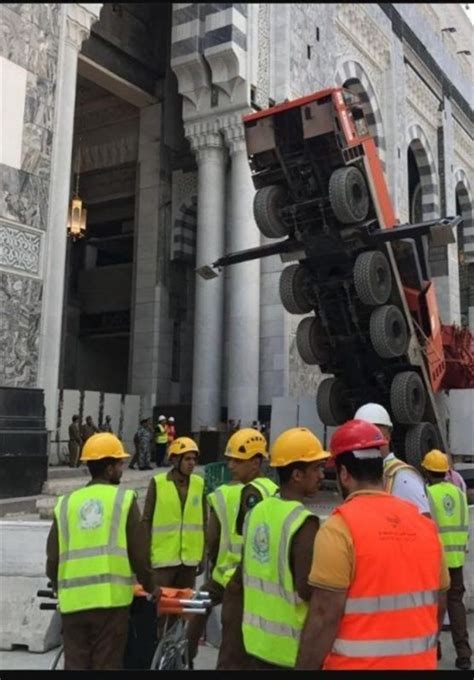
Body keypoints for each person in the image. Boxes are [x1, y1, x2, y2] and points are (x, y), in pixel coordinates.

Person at [296, 419, 450, 671]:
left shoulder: (339, 529)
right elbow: (439, 602)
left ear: (344, 474)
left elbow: (324, 615)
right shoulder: (425, 526)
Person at [45, 433, 160, 670]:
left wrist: (57, 585)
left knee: (75, 664)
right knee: (107, 663)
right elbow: (139, 555)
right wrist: (151, 587)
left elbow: (53, 557)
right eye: (119, 464)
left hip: (73, 605)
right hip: (110, 604)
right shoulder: (123, 500)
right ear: (108, 469)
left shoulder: (67, 503)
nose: (122, 468)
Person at [217, 427, 329, 670]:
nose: (321, 475)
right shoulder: (303, 522)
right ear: (297, 475)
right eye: (316, 469)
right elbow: (308, 589)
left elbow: (246, 570)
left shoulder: (257, 512)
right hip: (289, 650)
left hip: (256, 643)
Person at [187, 428, 278, 667]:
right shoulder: (271, 490)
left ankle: (186, 653)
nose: (230, 465)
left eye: (238, 460)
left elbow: (216, 539)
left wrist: (221, 566)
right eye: (230, 459)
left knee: (230, 645)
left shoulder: (248, 494)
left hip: (238, 581)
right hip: (237, 579)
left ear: (256, 462)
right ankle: (186, 652)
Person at [421, 449, 471, 671]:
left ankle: (434, 649)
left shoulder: (427, 494)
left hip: (436, 561)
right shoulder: (460, 494)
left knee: (433, 607)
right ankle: (464, 655)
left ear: (428, 472)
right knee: (456, 605)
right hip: (457, 559)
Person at [141, 436, 206, 590]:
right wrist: (145, 556)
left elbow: (204, 521)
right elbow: (146, 521)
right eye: (187, 459)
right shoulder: (158, 483)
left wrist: (203, 555)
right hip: (163, 561)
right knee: (161, 609)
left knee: (185, 607)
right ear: (175, 460)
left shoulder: (199, 484)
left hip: (189, 561)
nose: (192, 463)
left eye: (194, 459)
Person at [354, 403, 431, 516]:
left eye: (375, 433)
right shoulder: (359, 473)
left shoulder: (403, 476)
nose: (368, 439)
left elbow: (424, 520)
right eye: (362, 433)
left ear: (388, 435)